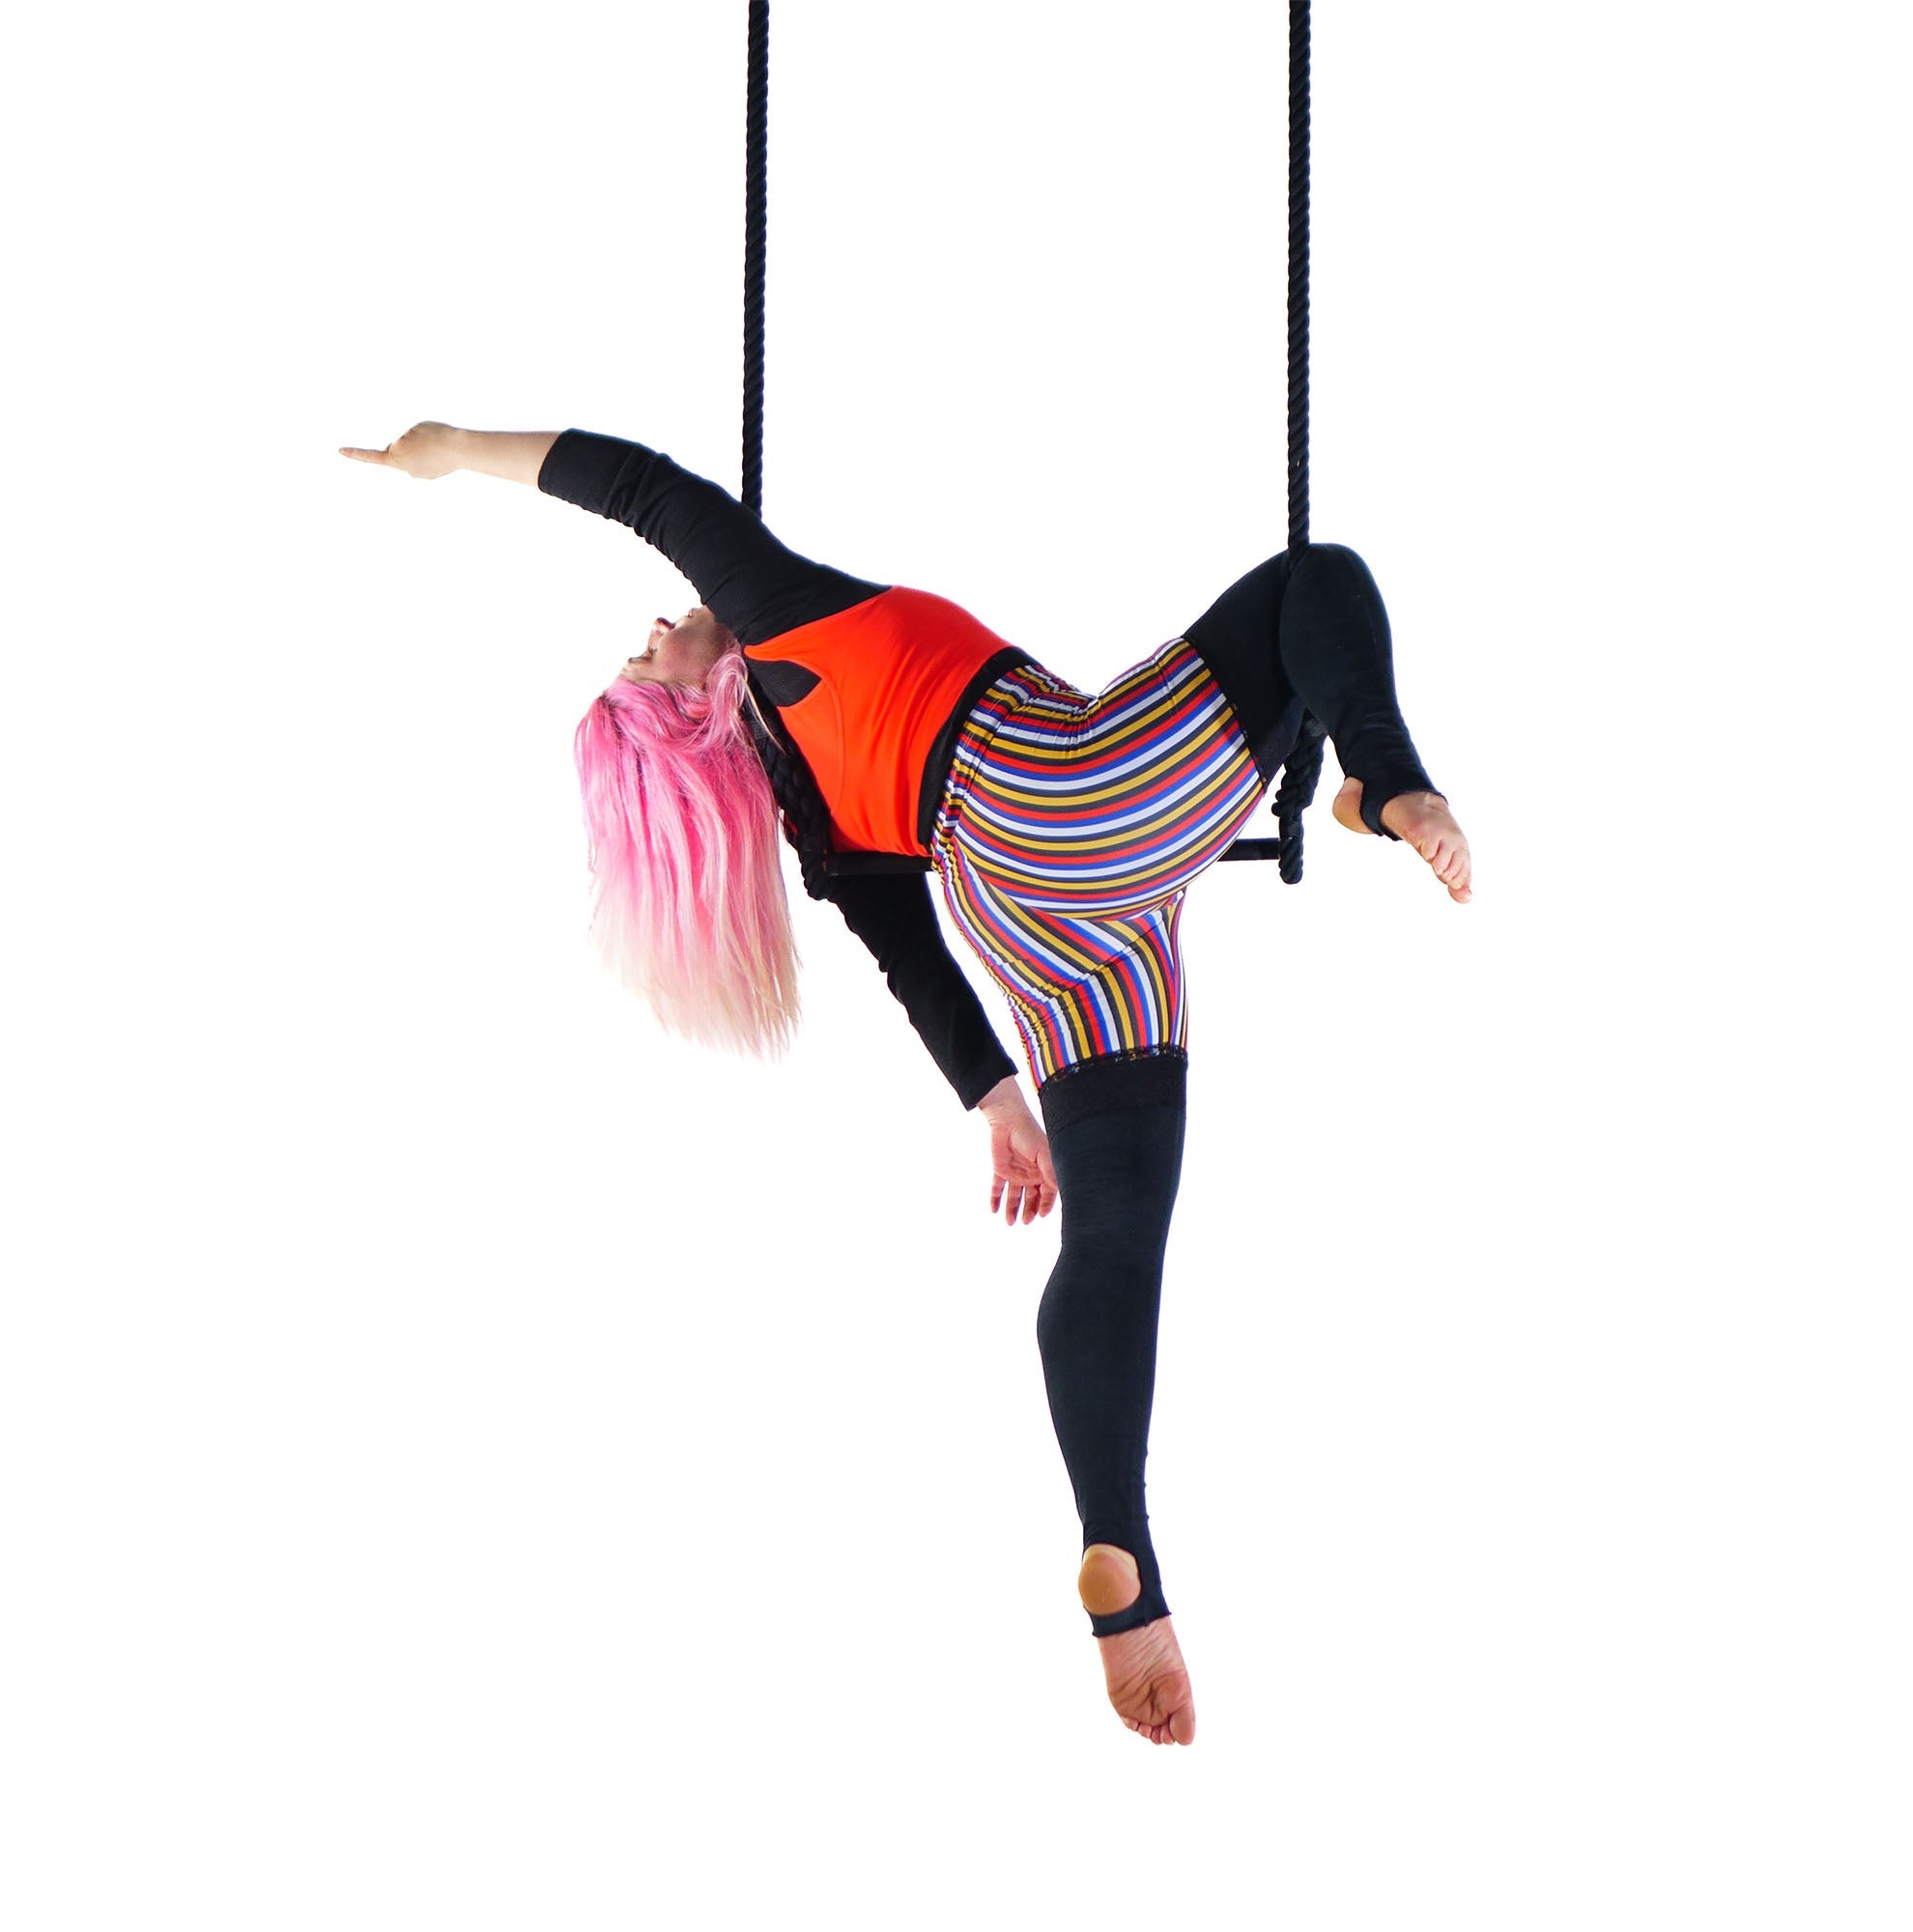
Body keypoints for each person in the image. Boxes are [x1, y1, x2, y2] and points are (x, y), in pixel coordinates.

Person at [342, 421, 1472, 1747]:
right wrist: (448, 450)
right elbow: (643, 487)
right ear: (694, 709)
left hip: (1037, 919)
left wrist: (999, 1103)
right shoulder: (778, 619)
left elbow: (911, 957)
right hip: (1064, 796)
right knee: (1313, 585)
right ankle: (1385, 781)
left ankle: (1121, 1558)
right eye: (647, 655)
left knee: (1117, 1241)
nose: (655, 624)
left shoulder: (812, 818)